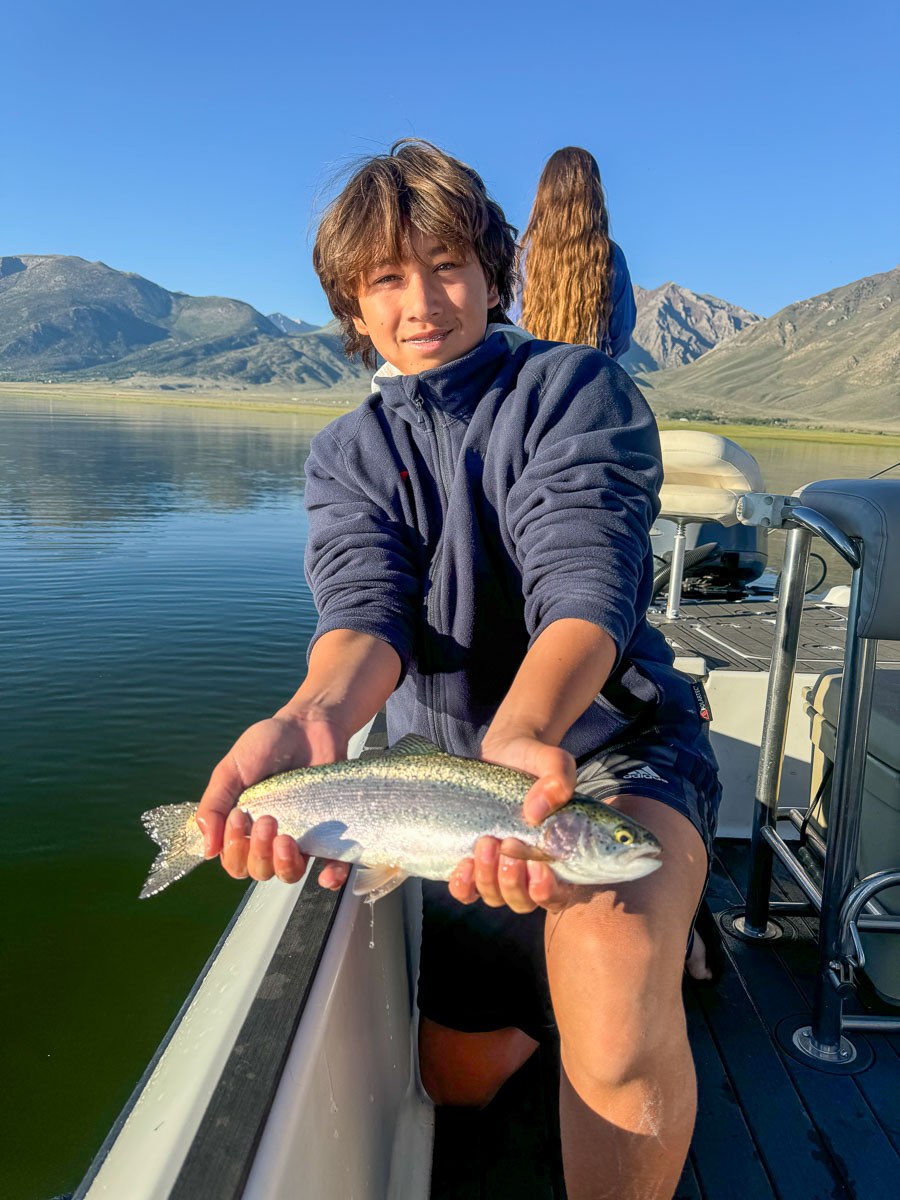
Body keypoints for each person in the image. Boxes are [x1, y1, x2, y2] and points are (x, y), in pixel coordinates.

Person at [195, 139, 720, 1200]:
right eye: (387, 278)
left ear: (491, 273)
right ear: (353, 305)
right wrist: (309, 719)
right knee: (458, 1080)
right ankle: (619, 955)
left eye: (445, 265)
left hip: (606, 758)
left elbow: (587, 584)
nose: (422, 300)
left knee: (613, 998)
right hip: (445, 795)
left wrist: (522, 737)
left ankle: (645, 945)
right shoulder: (347, 454)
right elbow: (362, 620)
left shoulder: (577, 391)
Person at [513, 145, 637, 361]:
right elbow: (621, 335)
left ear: (545, 192)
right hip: (590, 375)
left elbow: (512, 324)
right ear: (594, 193)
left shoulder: (521, 254)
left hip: (530, 374)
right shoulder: (609, 256)